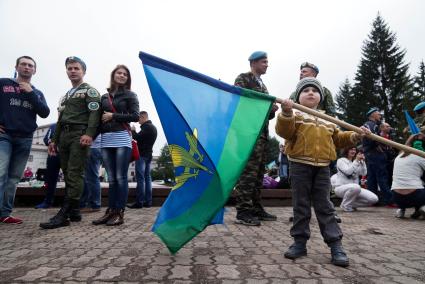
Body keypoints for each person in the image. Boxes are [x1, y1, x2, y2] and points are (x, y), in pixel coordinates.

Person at [276, 77, 369, 267]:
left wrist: (355, 135)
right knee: (301, 205)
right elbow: (284, 132)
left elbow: (339, 139)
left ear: (320, 97)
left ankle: (336, 245)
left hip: (323, 167)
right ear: (297, 97)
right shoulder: (295, 115)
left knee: (325, 206)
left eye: (315, 90)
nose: (311, 92)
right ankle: (299, 243)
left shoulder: (329, 120)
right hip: (299, 165)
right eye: (305, 90)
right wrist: (285, 112)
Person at [40, 56, 101, 229]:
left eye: (76, 68)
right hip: (64, 136)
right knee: (67, 173)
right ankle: (75, 211)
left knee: (75, 172)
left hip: (79, 135)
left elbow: (94, 114)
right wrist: (53, 139)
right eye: (70, 68)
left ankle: (65, 213)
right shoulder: (66, 96)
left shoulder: (90, 91)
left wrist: (90, 134)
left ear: (83, 71)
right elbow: (60, 120)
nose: (72, 71)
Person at [0, 55, 50, 224]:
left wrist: (30, 93)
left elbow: (44, 112)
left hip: (25, 138)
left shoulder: (37, 92)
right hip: (4, 135)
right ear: (17, 67)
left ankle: (5, 213)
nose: (27, 67)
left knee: (14, 177)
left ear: (34, 70)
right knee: (1, 173)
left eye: (30, 65)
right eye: (23, 64)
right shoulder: (4, 83)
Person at [233, 51, 279, 226]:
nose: (267, 65)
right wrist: (266, 106)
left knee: (259, 173)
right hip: (247, 133)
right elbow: (241, 100)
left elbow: (264, 115)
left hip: (262, 134)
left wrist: (271, 110)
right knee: (248, 173)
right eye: (263, 61)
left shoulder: (263, 85)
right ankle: (243, 211)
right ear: (253, 63)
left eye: (267, 62)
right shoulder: (244, 78)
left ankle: (256, 208)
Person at [92, 65, 139, 226]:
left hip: (121, 137)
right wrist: (90, 137)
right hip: (106, 138)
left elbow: (135, 116)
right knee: (111, 179)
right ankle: (110, 211)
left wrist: (114, 115)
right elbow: (99, 119)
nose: (122, 75)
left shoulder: (130, 95)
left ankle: (119, 212)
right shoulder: (104, 97)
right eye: (119, 73)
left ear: (128, 78)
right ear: (113, 75)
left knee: (120, 177)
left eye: (125, 74)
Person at [362, 107, 394, 206]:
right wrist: (377, 146)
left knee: (372, 178)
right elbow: (371, 136)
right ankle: (390, 200)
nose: (380, 115)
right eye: (378, 113)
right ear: (372, 115)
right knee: (382, 177)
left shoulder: (371, 125)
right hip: (375, 154)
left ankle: (373, 200)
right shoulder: (371, 125)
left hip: (370, 154)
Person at [331, 147, 378, 212]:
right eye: (351, 149)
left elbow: (364, 173)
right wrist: (356, 161)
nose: (353, 151)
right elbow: (348, 172)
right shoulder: (341, 160)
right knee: (356, 187)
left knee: (374, 199)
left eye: (354, 150)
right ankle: (345, 205)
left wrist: (362, 162)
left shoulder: (355, 162)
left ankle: (350, 204)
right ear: (346, 150)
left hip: (355, 189)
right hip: (340, 188)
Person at [127, 111, 157, 209]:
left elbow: (137, 138)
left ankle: (139, 202)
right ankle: (148, 201)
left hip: (142, 156)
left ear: (143, 117)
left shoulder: (147, 127)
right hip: (148, 155)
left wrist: (133, 131)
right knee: (147, 178)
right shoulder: (153, 127)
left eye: (139, 118)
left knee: (141, 178)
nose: (138, 121)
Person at [391, 134, 425, 219]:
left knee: (411, 178)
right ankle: (423, 208)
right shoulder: (420, 156)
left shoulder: (398, 156)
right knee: (420, 181)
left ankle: (401, 210)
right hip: (415, 196)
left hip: (396, 198)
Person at [35, 123, 61, 209]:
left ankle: (69, 203)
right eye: (59, 111)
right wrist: (50, 142)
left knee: (70, 179)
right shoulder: (53, 126)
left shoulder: (72, 123)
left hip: (67, 156)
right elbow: (46, 139)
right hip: (53, 155)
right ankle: (47, 202)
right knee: (50, 180)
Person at [79, 135, 102, 212]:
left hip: (92, 147)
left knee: (92, 178)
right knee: (91, 177)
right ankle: (93, 203)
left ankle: (94, 204)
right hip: (97, 147)